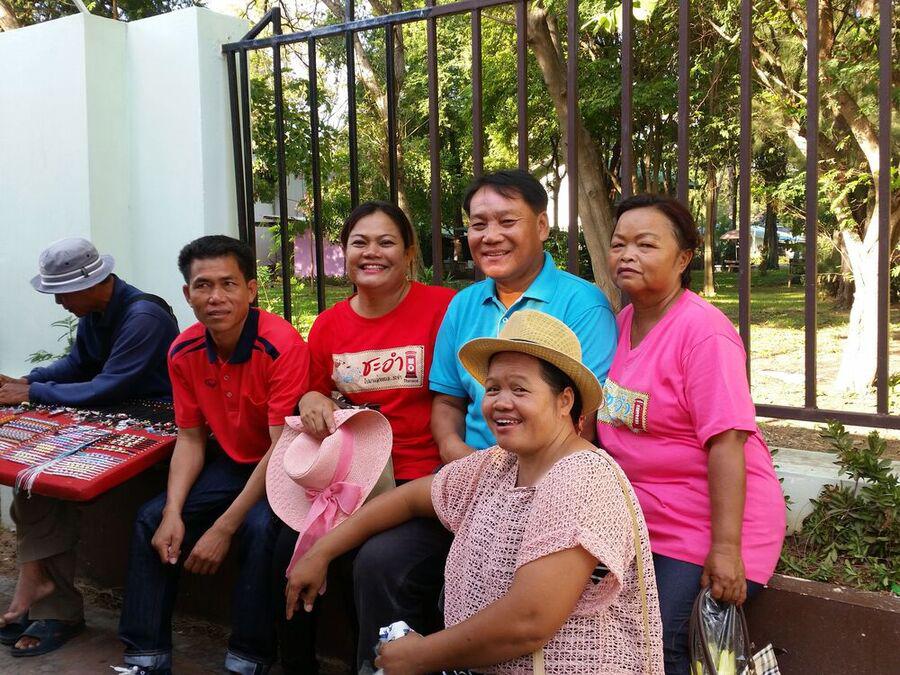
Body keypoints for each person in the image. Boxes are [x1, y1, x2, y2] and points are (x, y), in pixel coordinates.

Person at [285, 310, 665, 675]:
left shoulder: (581, 477)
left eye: (520, 389)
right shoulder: (500, 463)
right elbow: (411, 498)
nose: (501, 402)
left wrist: (420, 656)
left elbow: (529, 622)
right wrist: (322, 550)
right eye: (493, 388)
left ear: (564, 400)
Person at [352, 169, 618, 668]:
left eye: (506, 221)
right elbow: (447, 401)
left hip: (538, 490)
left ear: (542, 226)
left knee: (491, 581)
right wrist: (457, 455)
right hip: (468, 482)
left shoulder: (582, 305)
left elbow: (583, 415)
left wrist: (497, 479)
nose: (490, 236)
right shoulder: (464, 305)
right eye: (478, 224)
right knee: (381, 561)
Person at [597, 194, 786, 675]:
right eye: (619, 244)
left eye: (645, 244)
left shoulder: (704, 333)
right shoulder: (621, 323)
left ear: (683, 259)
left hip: (708, 527)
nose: (627, 255)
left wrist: (725, 549)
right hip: (645, 523)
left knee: (665, 643)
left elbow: (727, 443)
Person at [271, 201, 454, 672]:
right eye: (360, 242)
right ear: (346, 252)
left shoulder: (443, 308)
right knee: (284, 544)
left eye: (386, 242)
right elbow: (314, 390)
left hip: (423, 478)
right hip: (354, 478)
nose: (372, 252)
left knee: (376, 560)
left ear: (409, 253)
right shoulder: (329, 323)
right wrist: (312, 397)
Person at [116, 235, 309, 675]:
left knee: (258, 530)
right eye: (203, 285)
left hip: (286, 466)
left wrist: (223, 528)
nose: (215, 297)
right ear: (187, 294)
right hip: (234, 464)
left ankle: (249, 658)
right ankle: (145, 656)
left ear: (251, 290)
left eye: (228, 284)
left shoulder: (280, 345)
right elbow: (190, 439)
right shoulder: (183, 350)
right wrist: (173, 511)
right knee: (151, 519)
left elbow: (281, 447)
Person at [0, 237, 179, 657]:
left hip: (152, 425)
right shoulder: (96, 313)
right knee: (32, 480)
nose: (59, 302)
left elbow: (108, 385)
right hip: (112, 414)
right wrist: (28, 380)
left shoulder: (144, 317)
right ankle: (43, 588)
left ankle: (51, 599)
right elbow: (77, 364)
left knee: (44, 485)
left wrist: (33, 393)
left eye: (62, 292)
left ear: (91, 283)